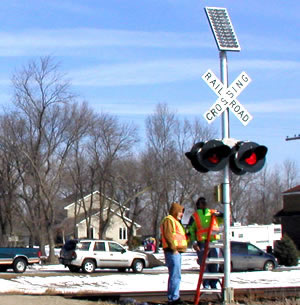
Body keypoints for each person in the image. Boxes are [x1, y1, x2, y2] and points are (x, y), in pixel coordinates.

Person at [187, 197, 223, 289]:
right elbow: (191, 230)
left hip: (213, 242)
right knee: (204, 265)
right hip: (201, 243)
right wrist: (194, 242)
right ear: (198, 205)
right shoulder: (194, 216)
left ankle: (214, 283)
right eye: (201, 203)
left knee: (215, 264)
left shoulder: (213, 213)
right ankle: (206, 283)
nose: (204, 204)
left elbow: (225, 218)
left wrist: (220, 215)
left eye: (205, 202)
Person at [160, 202, 188, 305]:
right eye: (180, 212)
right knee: (175, 275)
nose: (181, 214)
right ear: (175, 211)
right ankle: (173, 298)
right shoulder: (169, 220)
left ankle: (175, 296)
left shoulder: (175, 221)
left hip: (177, 252)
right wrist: (173, 249)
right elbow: (168, 235)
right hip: (172, 252)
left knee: (177, 275)